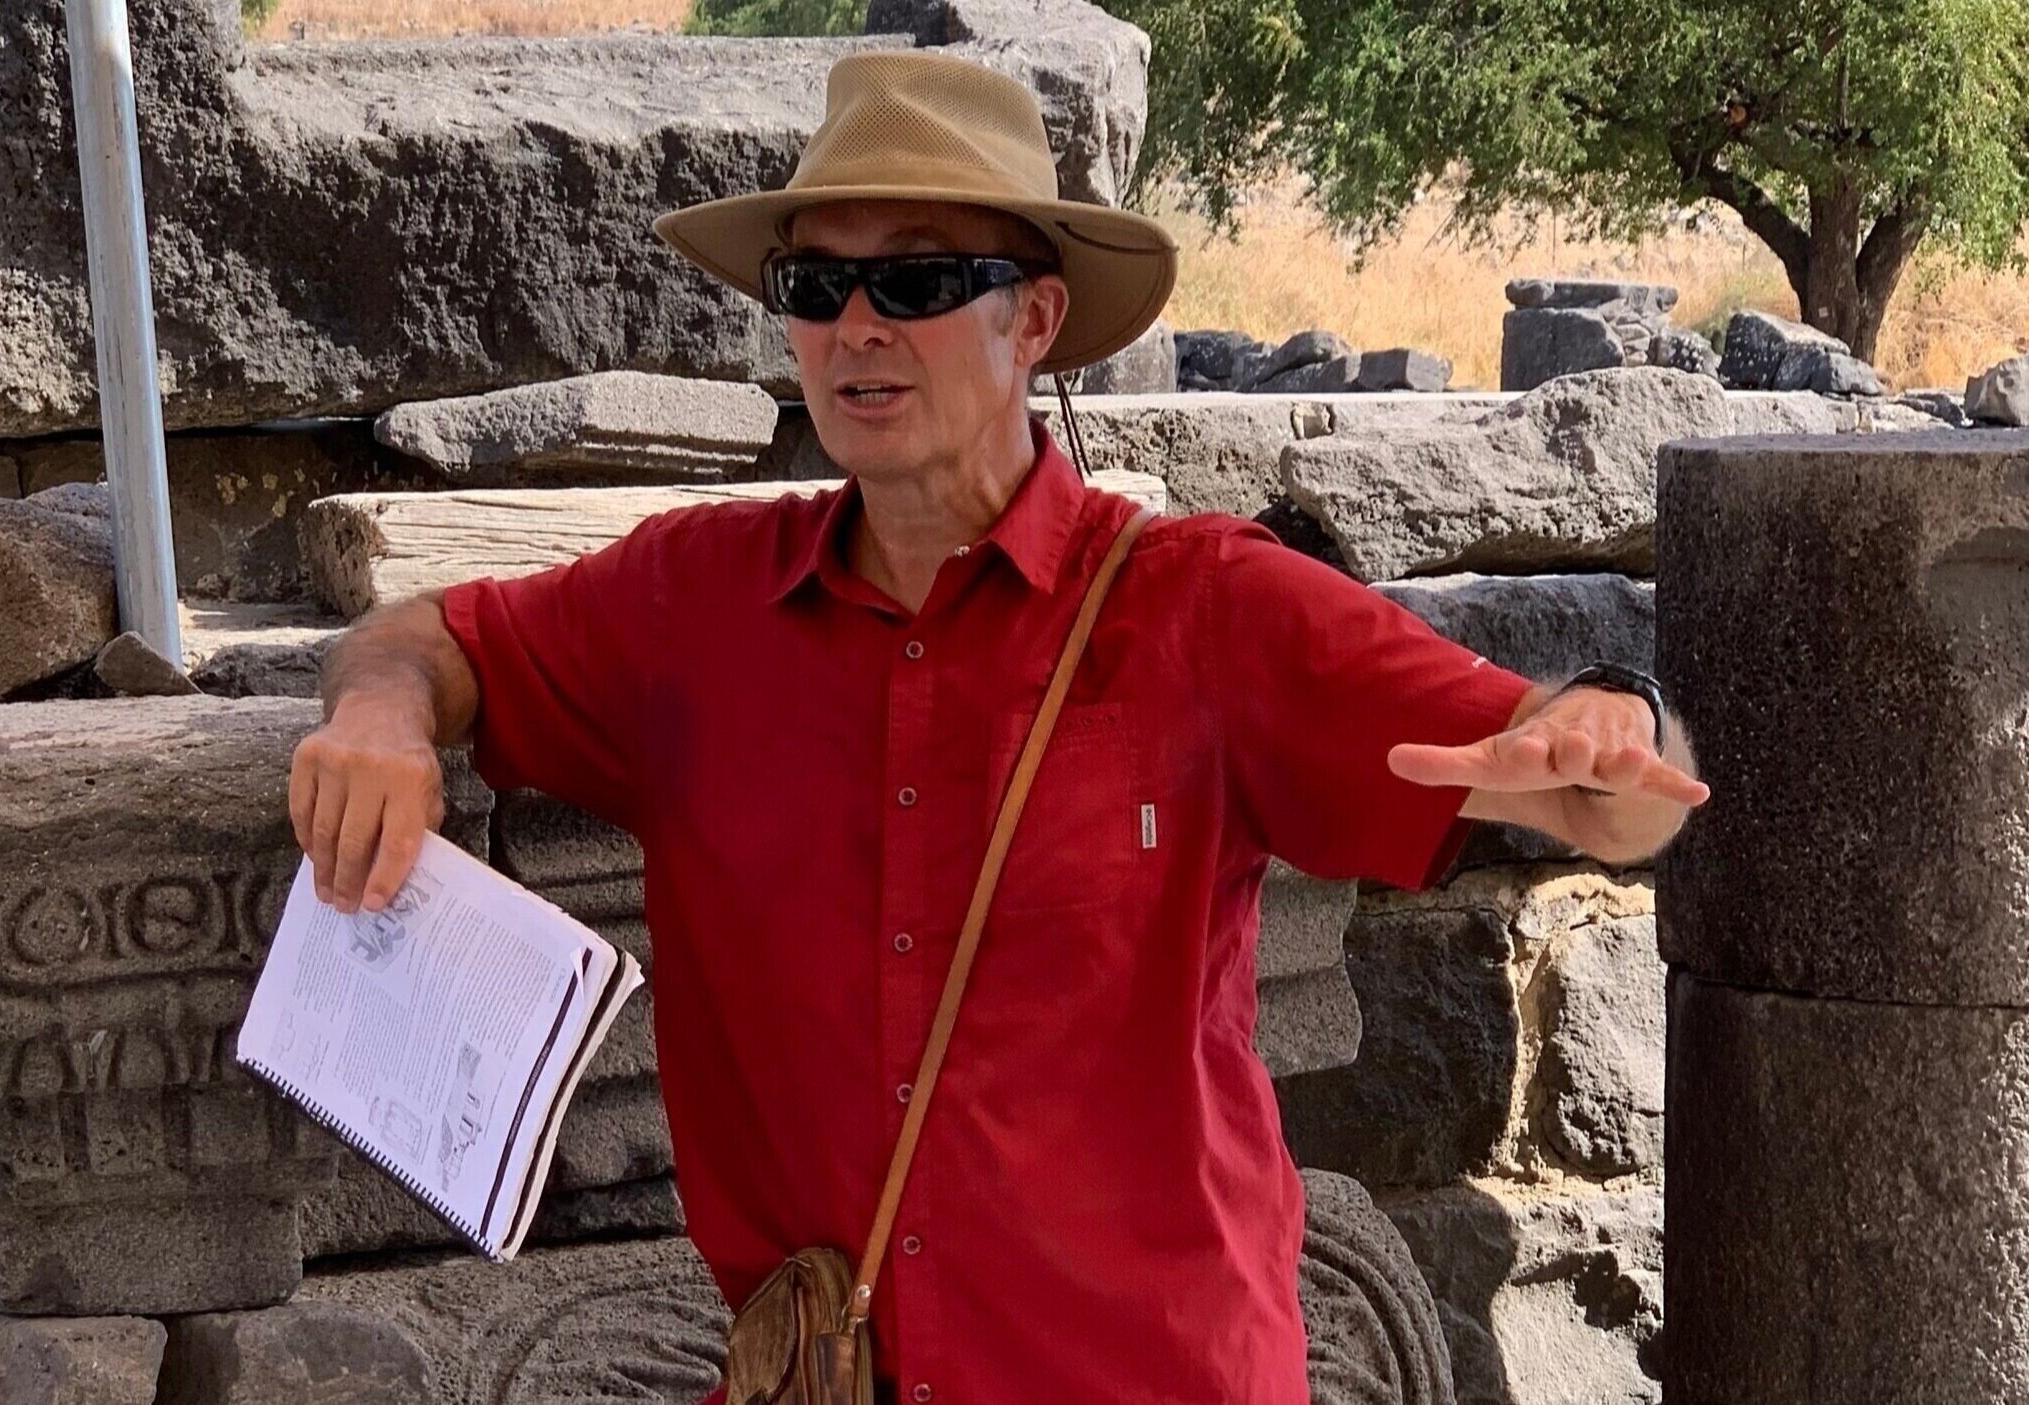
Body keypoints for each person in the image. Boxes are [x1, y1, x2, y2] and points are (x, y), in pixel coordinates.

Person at [287, 48, 1708, 1405]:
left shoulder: (1204, 609)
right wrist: (382, 720)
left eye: (913, 279)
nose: (856, 326)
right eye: (817, 282)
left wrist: (1610, 743)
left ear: (1032, 319)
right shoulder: (693, 608)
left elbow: (1602, 793)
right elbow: (428, 640)